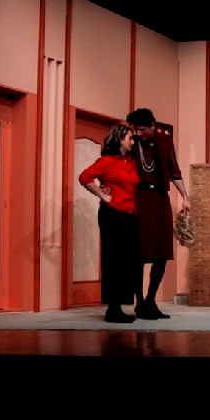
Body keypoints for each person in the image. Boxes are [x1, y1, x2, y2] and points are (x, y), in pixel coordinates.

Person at [126, 108, 191, 320]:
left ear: (152, 125)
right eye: (136, 130)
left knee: (161, 253)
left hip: (160, 198)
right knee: (139, 253)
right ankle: (139, 302)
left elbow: (174, 170)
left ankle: (151, 300)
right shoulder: (133, 143)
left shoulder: (165, 141)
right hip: (140, 198)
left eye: (142, 129)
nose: (139, 133)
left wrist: (185, 197)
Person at [78, 123, 141, 324]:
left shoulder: (132, 162)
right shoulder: (106, 161)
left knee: (128, 261)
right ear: (119, 139)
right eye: (130, 138)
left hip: (131, 214)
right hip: (113, 213)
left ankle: (121, 305)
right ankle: (113, 309)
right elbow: (84, 177)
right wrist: (102, 195)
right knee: (114, 260)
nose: (132, 142)